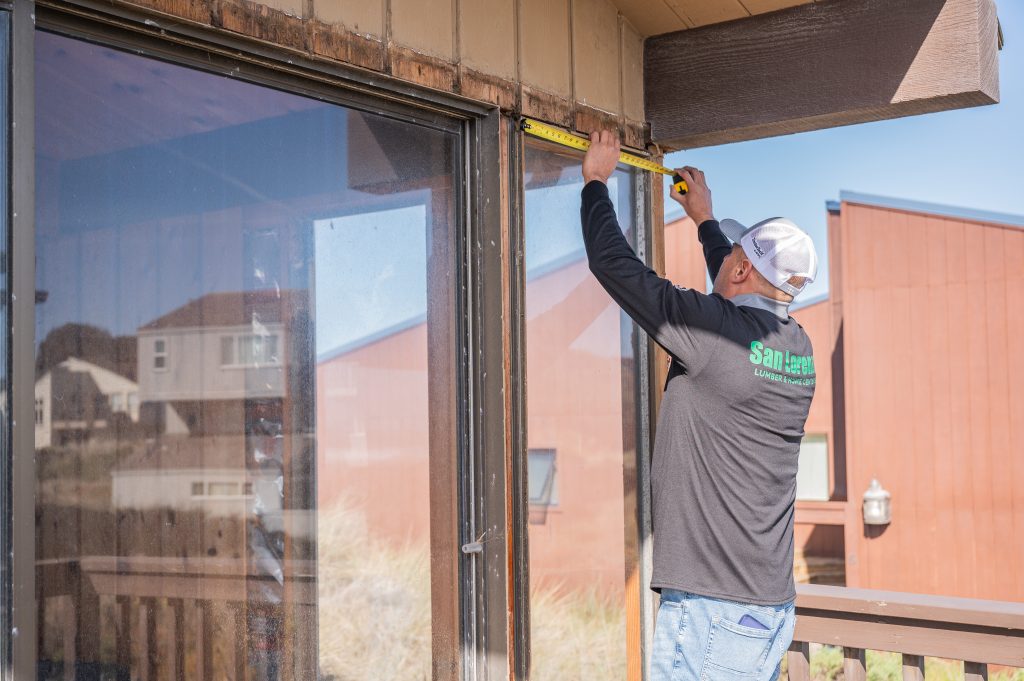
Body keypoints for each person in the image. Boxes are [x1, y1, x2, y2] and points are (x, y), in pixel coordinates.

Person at [580, 130, 819, 680]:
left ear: (737, 271)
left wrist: (596, 182)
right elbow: (737, 279)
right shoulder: (796, 347)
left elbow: (616, 266)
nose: (724, 260)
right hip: (766, 605)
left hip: (714, 612)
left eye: (732, 255)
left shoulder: (715, 332)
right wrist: (705, 221)